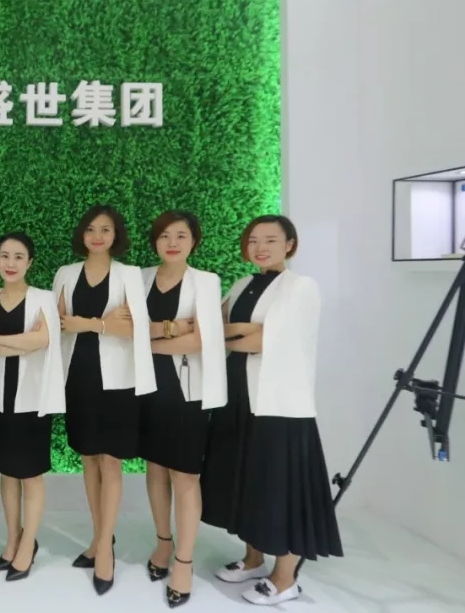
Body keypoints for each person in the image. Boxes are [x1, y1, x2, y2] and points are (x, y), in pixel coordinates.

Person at [202, 215, 342, 606]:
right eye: (253, 240)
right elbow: (215, 325)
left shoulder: (301, 286)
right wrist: (238, 332)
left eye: (270, 240)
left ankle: (284, 579)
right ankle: (253, 559)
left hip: (280, 405)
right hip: (238, 398)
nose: (260, 248)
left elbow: (262, 341)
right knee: (247, 481)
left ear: (290, 244)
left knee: (281, 488)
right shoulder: (242, 284)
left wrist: (233, 334)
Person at [50, 205, 153, 595]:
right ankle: (99, 538)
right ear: (82, 233)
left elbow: (137, 329)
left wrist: (89, 323)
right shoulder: (66, 273)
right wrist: (109, 322)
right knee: (89, 459)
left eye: (105, 229)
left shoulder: (129, 275)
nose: (97, 236)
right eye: (91, 229)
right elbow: (59, 323)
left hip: (118, 380)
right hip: (78, 375)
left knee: (110, 461)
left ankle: (106, 550)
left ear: (116, 235)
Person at [137, 210, 227, 609]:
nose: (172, 243)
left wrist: (147, 343)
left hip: (186, 391)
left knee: (185, 475)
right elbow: (129, 331)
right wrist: (173, 329)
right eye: (164, 236)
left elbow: (200, 341)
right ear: (155, 241)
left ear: (194, 241)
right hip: (145, 388)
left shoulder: (205, 281)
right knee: (155, 467)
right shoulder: (139, 278)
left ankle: (185, 563)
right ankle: (163, 544)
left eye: (181, 236)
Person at [0, 231, 64, 582]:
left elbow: (43, 340)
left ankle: (29, 542)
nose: (11, 263)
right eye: (5, 256)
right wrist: (22, 342)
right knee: (6, 471)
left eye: (18, 257)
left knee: (30, 473)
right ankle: (13, 536)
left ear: (30, 262)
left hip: (32, 400)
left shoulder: (44, 298)